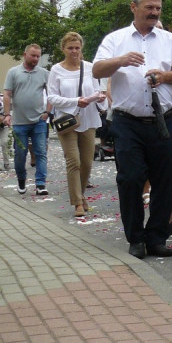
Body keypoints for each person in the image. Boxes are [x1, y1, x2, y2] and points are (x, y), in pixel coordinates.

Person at [93, 0, 172, 259]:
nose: (154, 12)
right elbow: (97, 69)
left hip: (164, 121)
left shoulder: (170, 39)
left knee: (164, 181)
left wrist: (164, 76)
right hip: (128, 122)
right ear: (133, 7)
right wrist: (120, 60)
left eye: (158, 8)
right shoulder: (116, 39)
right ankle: (135, 238)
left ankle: (156, 237)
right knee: (130, 178)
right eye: (149, 7)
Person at [46, 32, 107, 216]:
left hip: (88, 119)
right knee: (74, 161)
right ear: (63, 49)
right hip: (67, 121)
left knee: (87, 162)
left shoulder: (90, 68)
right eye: (70, 48)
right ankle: (77, 202)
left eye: (77, 48)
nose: (74, 51)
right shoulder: (56, 70)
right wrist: (75, 101)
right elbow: (52, 97)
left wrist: (100, 98)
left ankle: (80, 194)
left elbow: (99, 90)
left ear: (81, 49)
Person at [3, 44, 50, 196]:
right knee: (20, 154)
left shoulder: (44, 73)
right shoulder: (14, 72)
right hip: (19, 123)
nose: (36, 59)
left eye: (38, 56)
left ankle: (40, 184)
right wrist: (7, 114)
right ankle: (21, 180)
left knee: (41, 152)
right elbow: (8, 94)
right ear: (25, 54)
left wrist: (47, 112)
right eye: (33, 55)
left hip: (39, 122)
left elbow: (52, 94)